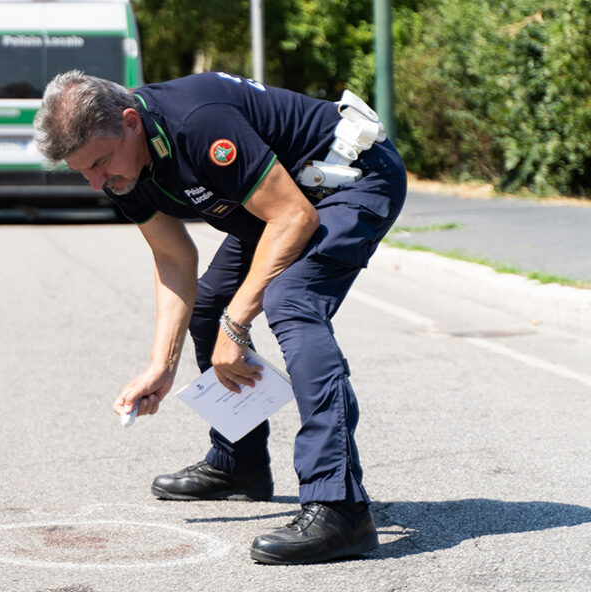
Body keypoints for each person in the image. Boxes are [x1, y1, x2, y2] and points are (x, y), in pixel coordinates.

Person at [34, 70, 407, 565]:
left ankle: (340, 507)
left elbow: (294, 218)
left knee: (290, 299)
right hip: (282, 199)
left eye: (100, 164)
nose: (97, 182)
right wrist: (161, 364)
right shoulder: (122, 164)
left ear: (129, 122)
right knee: (210, 305)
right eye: (82, 172)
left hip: (347, 179)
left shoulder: (197, 124)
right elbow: (173, 258)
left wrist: (238, 325)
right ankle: (240, 464)